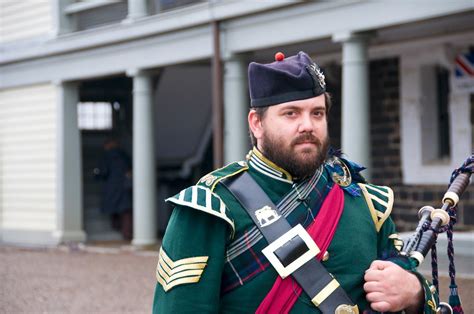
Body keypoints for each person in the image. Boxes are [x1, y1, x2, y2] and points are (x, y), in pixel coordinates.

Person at [152, 51, 439, 313]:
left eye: (317, 113)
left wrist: (413, 292)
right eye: (291, 113)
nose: (308, 125)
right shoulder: (212, 208)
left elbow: (407, 287)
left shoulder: (365, 203)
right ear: (256, 123)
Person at [93, 138, 133, 240]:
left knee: (114, 209)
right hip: (125, 185)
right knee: (126, 210)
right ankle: (127, 233)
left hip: (111, 186)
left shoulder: (105, 157)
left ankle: (117, 228)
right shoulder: (124, 155)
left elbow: (102, 172)